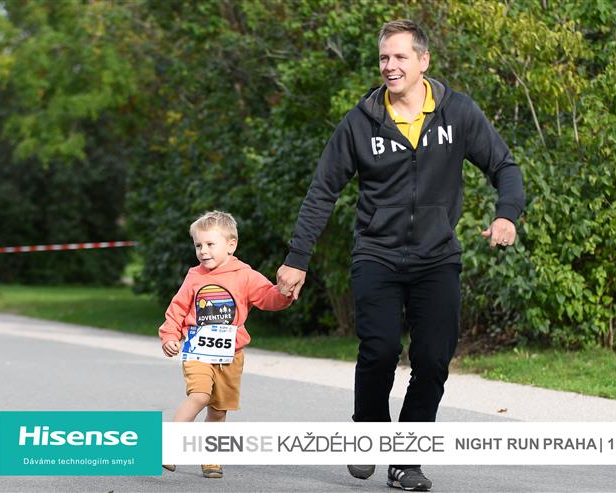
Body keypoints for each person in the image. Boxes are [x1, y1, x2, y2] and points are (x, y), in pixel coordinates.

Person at [277, 20, 524, 491]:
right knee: (381, 349)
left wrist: (506, 215)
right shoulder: (361, 121)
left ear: (423, 61)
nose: (390, 66)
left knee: (432, 359)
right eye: (384, 58)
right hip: (377, 253)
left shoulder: (457, 113)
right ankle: (368, 433)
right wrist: (297, 258)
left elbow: (504, 166)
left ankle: (407, 458)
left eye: (399, 57)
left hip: (437, 256)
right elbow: (323, 190)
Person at [159, 211, 292, 478]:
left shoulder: (244, 275)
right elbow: (178, 308)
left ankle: (211, 459)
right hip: (198, 351)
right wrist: (170, 336)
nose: (203, 251)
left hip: (231, 356)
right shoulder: (194, 276)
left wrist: (284, 293)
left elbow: (267, 297)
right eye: (198, 245)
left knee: (218, 412)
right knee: (199, 395)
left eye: (210, 244)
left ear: (231, 245)